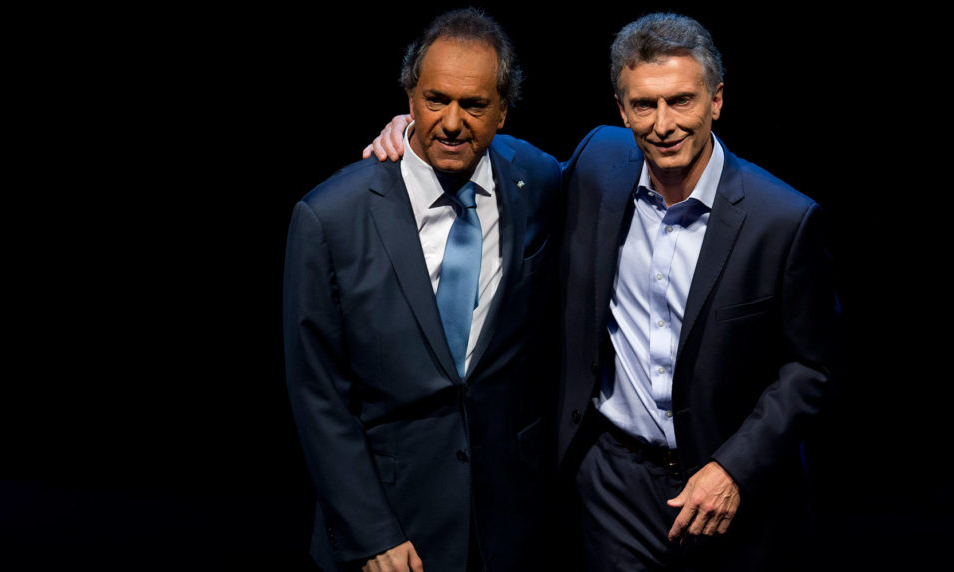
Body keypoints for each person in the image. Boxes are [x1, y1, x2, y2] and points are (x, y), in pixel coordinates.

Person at [365, 13, 838, 571]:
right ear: (621, 109)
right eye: (644, 105)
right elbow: (493, 156)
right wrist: (414, 133)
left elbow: (813, 366)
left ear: (716, 100)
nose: (663, 124)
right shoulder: (598, 163)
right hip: (612, 487)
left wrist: (735, 467)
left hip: (732, 492)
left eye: (681, 101)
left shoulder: (782, 219)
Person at [283, 8, 560, 572]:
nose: (452, 122)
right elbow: (317, 395)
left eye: (474, 105)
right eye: (436, 100)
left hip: (510, 525)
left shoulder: (539, 179)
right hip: (389, 525)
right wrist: (370, 533)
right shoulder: (330, 216)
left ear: (503, 111)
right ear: (409, 97)